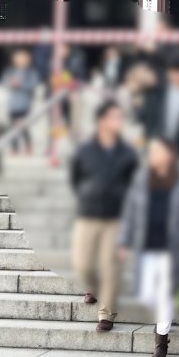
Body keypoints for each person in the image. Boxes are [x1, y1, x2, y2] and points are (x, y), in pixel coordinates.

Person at [118, 139, 179, 357]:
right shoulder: (142, 179)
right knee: (147, 293)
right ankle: (163, 318)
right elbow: (131, 211)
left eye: (158, 151)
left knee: (165, 293)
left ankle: (160, 343)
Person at [70, 101, 139, 332]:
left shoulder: (128, 154)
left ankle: (106, 314)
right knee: (83, 265)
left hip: (116, 216)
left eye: (120, 118)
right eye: (112, 118)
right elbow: (76, 178)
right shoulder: (85, 150)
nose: (117, 122)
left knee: (111, 265)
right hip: (88, 213)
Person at [2, 49, 39, 154]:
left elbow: (33, 85)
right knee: (12, 127)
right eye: (18, 58)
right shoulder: (10, 71)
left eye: (23, 58)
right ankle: (14, 148)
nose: (20, 61)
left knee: (23, 126)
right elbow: (4, 82)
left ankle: (28, 145)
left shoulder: (31, 72)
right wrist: (11, 83)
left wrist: (20, 84)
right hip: (13, 104)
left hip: (25, 103)